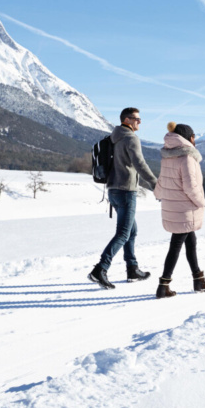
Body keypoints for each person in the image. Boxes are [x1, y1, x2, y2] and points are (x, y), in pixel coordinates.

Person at [88, 107, 158, 290]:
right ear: (127, 120)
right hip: (126, 191)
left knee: (131, 231)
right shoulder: (131, 138)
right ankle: (100, 269)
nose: (139, 122)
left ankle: (132, 269)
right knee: (123, 233)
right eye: (136, 119)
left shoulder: (114, 137)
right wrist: (154, 183)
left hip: (113, 190)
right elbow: (139, 163)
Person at [153, 121, 205, 299]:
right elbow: (190, 186)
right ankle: (163, 285)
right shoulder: (187, 158)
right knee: (176, 245)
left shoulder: (167, 156)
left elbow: (161, 182)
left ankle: (198, 279)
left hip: (173, 206)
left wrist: (159, 194)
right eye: (194, 137)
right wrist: (201, 202)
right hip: (185, 208)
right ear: (189, 138)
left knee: (190, 242)